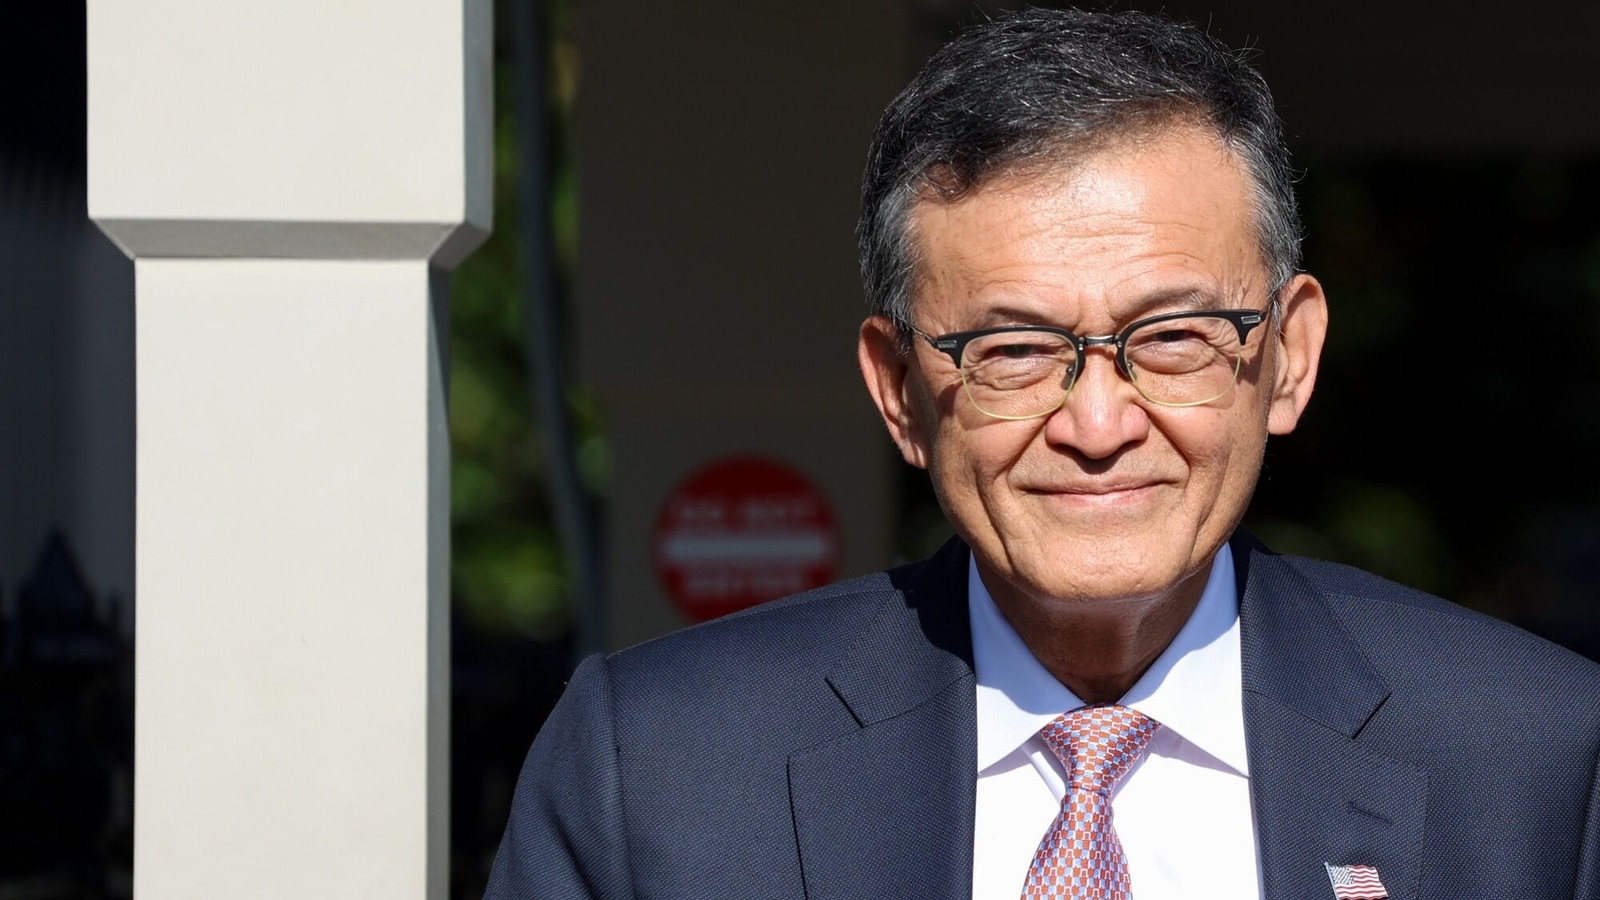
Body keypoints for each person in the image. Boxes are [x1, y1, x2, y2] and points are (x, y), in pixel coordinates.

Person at [485, 8, 1600, 899]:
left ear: (1289, 357)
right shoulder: (663, 771)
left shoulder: (1529, 761)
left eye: (1173, 337)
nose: (1098, 426)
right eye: (1013, 351)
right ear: (900, 391)